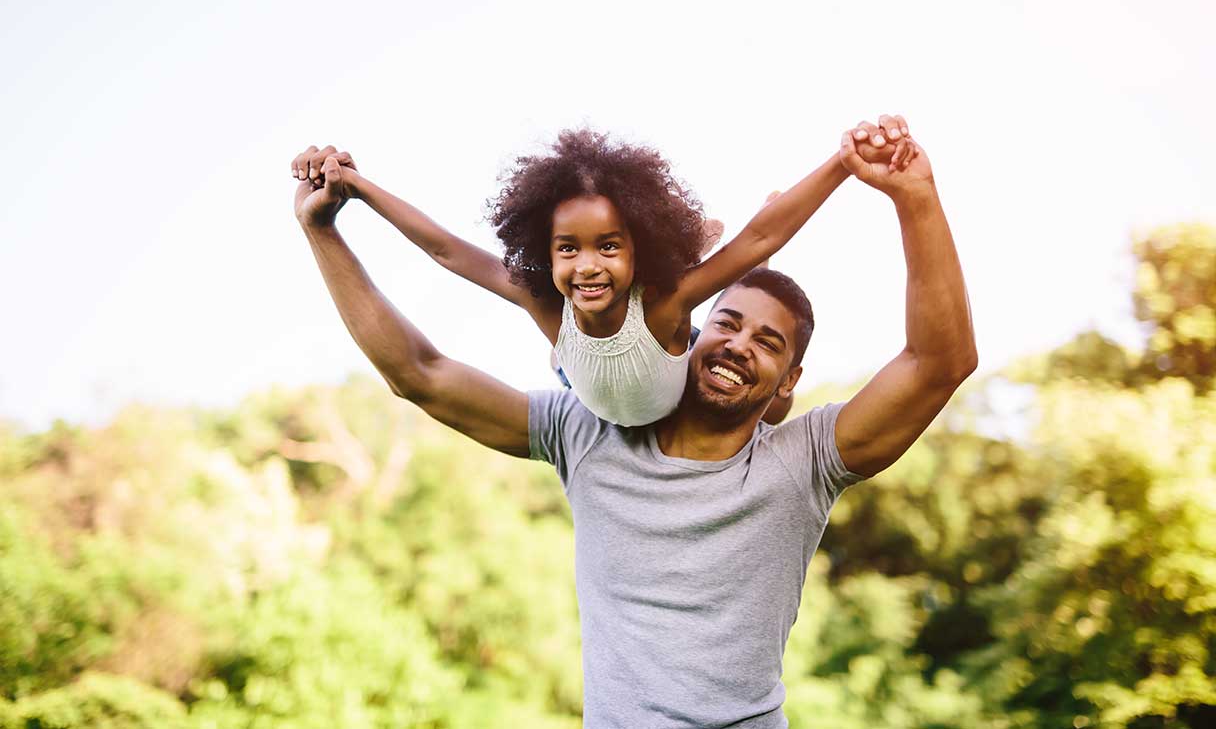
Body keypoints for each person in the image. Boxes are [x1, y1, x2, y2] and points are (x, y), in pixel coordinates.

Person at [291, 114, 976, 728]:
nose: (739, 343)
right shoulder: (584, 432)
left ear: (787, 386)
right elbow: (421, 373)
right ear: (693, 333)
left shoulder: (803, 462)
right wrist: (322, 231)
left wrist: (914, 197)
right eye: (729, 324)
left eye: (769, 343)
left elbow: (938, 362)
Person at [293, 127, 911, 427]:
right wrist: (359, 188)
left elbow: (763, 234)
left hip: (664, 358)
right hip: (579, 377)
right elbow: (449, 251)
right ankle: (702, 240)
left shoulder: (665, 303)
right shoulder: (546, 305)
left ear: (637, 249)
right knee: (712, 280)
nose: (587, 266)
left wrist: (842, 164)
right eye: (568, 249)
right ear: (546, 249)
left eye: (609, 247)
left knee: (767, 405)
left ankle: (700, 244)